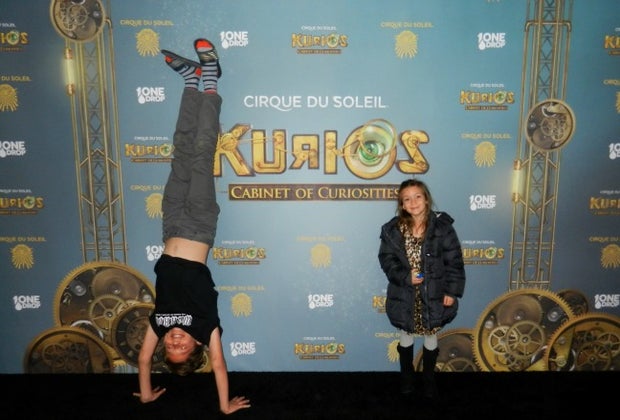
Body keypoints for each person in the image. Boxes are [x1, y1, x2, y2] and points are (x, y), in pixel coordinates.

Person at [132, 38, 250, 415]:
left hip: (170, 226)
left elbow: (143, 360)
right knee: (201, 154)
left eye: (170, 347)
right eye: (182, 348)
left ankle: (190, 80)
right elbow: (220, 365)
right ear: (196, 346)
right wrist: (224, 405)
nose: (175, 342)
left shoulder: (159, 323)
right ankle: (210, 80)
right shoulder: (205, 327)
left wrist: (147, 394)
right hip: (199, 225)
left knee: (181, 152)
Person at [378, 178, 465, 402]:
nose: (413, 202)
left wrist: (451, 292)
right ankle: (407, 378)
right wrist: (405, 277)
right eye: (407, 199)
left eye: (417, 196)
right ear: (402, 204)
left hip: (434, 293)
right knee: (406, 332)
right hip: (404, 293)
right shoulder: (392, 229)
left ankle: (428, 379)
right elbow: (386, 260)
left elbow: (454, 262)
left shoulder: (443, 227)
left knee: (430, 332)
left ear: (426, 199)